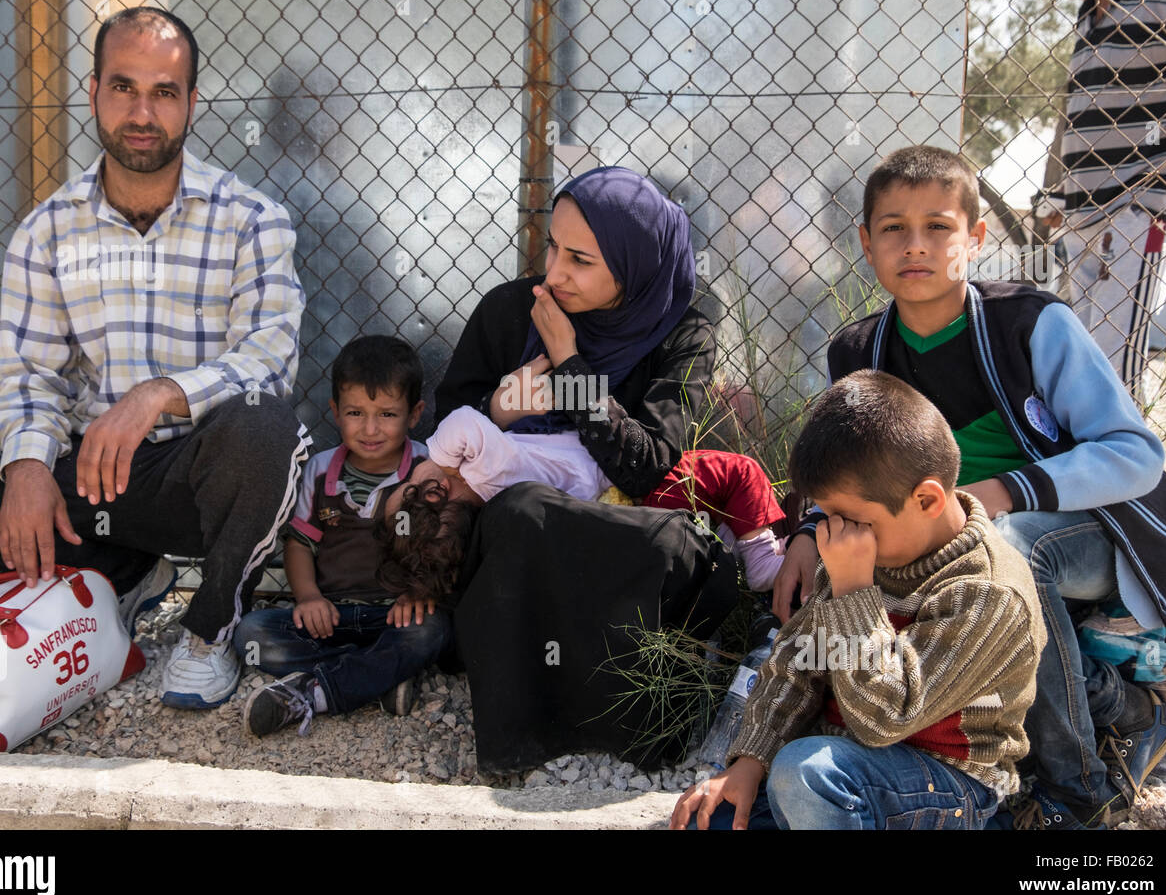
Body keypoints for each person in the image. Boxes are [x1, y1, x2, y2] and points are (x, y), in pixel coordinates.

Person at [773, 145, 1166, 828]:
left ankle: (1076, 789)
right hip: (961, 539)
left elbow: (1135, 455)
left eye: (939, 226)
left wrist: (1010, 489)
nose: (916, 246)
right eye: (892, 228)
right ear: (865, 242)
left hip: (1089, 533)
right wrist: (805, 532)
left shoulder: (1031, 324)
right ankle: (1110, 713)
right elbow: (846, 465)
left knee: (1007, 547)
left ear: (975, 238)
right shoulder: (858, 351)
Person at [0, 7, 308, 710]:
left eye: (164, 92)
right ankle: (114, 578)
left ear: (191, 103)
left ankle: (209, 630)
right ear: (93, 93)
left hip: (194, 473)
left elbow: (271, 357)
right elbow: (29, 377)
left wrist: (158, 395)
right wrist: (28, 465)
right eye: (124, 88)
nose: (143, 112)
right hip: (89, 480)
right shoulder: (46, 232)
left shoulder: (252, 219)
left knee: (267, 427)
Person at [432, 165, 738, 771]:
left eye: (581, 259)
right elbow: (441, 437)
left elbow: (647, 467)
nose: (554, 273)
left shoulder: (682, 328)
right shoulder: (510, 312)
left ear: (633, 264)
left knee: (684, 551)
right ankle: (526, 735)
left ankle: (638, 716)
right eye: (553, 247)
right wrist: (498, 409)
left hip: (616, 521)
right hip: (514, 532)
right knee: (522, 509)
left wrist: (571, 366)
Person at [671, 371, 1045, 830]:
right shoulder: (858, 546)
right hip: (839, 774)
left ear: (926, 500)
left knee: (805, 773)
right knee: (710, 816)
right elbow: (795, 662)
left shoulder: (989, 593)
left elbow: (884, 718)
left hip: (949, 785)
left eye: (845, 517)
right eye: (824, 516)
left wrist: (852, 591)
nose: (832, 532)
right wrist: (751, 759)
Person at [233, 336, 451, 736]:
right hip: (329, 617)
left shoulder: (425, 468)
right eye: (355, 412)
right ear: (335, 411)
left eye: (387, 414)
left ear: (415, 413)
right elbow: (299, 543)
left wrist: (418, 593)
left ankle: (322, 687)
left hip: (393, 613)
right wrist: (309, 598)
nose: (370, 429)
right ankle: (378, 676)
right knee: (252, 633)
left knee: (431, 631)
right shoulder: (319, 470)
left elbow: (440, 543)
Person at [376, 405, 784, 618]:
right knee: (737, 472)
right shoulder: (488, 468)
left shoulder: (492, 519)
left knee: (712, 509)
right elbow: (463, 422)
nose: (411, 471)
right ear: (435, 491)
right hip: (632, 483)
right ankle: (765, 565)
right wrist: (436, 462)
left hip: (619, 512)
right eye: (410, 483)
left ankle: (738, 555)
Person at [1040, 0, 1166, 406]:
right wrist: (1062, 193)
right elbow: (1085, 113)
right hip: (1083, 212)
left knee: (1114, 367)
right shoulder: (1090, 12)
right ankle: (1109, 463)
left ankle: (1127, 469)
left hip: (1143, 199)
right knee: (1085, 360)